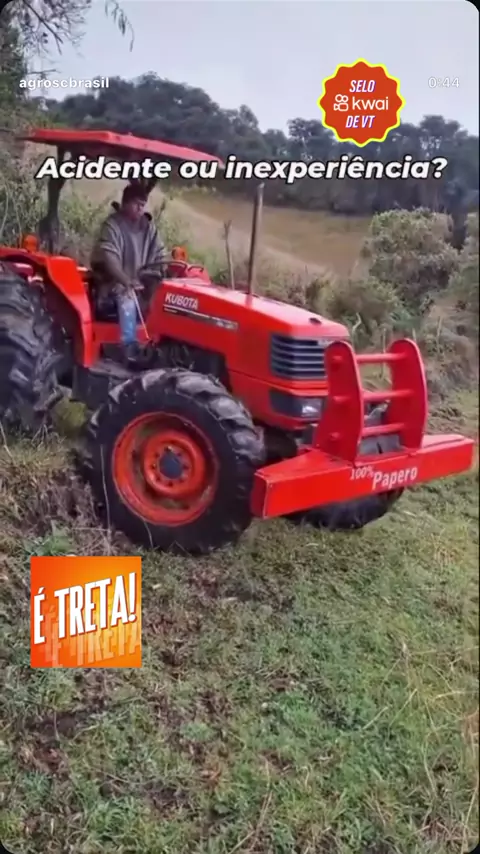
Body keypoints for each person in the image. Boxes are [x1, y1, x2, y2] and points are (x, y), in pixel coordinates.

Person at [91, 184, 167, 357]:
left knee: (166, 298)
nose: (140, 209)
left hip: (141, 286)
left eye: (143, 205)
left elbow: (160, 255)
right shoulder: (112, 226)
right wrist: (126, 281)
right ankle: (129, 347)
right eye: (136, 204)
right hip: (112, 285)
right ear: (125, 203)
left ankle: (159, 347)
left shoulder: (149, 229)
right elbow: (109, 257)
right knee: (128, 296)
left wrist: (163, 274)